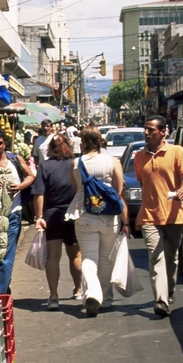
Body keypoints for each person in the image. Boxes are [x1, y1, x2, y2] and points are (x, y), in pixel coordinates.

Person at [133, 115, 183, 318]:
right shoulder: (139, 156)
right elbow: (143, 182)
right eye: (145, 129)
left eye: (151, 130)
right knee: (155, 256)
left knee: (171, 257)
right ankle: (161, 300)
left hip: (174, 214)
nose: (146, 133)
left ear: (162, 132)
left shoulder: (177, 151)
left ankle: (169, 290)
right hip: (149, 214)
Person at [71, 128, 129, 317]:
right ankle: (106, 298)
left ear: (85, 142)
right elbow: (119, 192)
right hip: (109, 217)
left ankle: (93, 293)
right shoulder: (113, 162)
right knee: (106, 259)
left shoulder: (75, 163)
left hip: (84, 215)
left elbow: (76, 189)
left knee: (88, 258)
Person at [31, 133, 82, 309]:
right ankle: (78, 289)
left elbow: (39, 194)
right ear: (68, 146)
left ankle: (53, 296)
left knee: (53, 256)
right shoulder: (76, 164)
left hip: (52, 215)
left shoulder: (45, 167)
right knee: (75, 254)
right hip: (74, 214)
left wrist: (39, 217)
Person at [0, 129, 35, 296]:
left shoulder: (15, 159)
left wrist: (20, 187)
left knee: (4, 258)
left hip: (12, 215)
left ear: (4, 144)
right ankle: (3, 287)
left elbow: (30, 176)